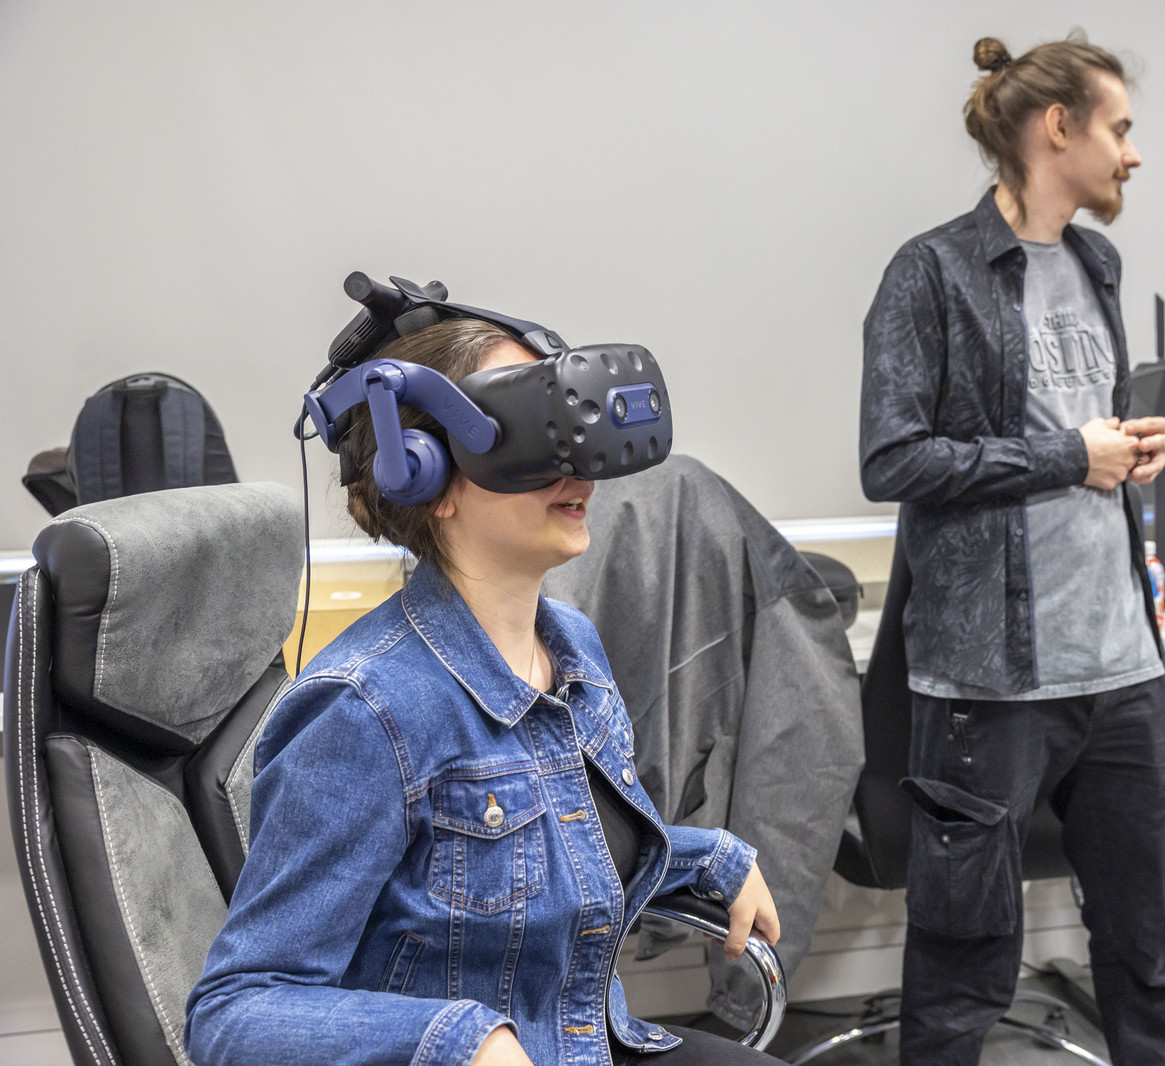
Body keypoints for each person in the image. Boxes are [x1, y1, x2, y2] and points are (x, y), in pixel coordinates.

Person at [186, 318, 783, 1066]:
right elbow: (235, 1012)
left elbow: (556, 850)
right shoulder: (366, 708)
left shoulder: (570, 645)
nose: (579, 471)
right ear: (425, 474)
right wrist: (464, 1043)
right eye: (534, 437)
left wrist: (705, 856)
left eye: (575, 432)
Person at [858, 32, 1165, 1066]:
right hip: (990, 681)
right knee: (963, 974)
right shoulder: (932, 271)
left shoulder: (1097, 262)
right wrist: (1067, 455)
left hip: (1122, 665)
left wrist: (1123, 452)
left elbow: (1072, 439)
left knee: (1145, 954)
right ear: (1057, 128)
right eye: (1119, 129)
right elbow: (893, 460)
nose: (1133, 152)